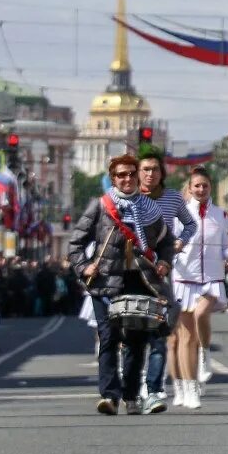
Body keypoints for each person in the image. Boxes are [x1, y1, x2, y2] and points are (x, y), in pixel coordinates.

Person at [68, 153, 177, 415]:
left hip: (139, 280)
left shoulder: (150, 208)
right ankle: (109, 395)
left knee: (136, 340)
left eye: (131, 174)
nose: (127, 179)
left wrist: (164, 262)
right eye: (120, 175)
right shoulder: (101, 206)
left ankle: (131, 396)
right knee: (108, 337)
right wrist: (85, 267)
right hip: (105, 281)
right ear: (112, 178)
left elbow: (166, 242)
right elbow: (75, 244)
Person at [137, 150, 196, 413]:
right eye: (145, 170)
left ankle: (155, 388)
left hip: (162, 268)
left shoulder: (172, 198)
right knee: (132, 326)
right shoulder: (130, 198)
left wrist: (179, 242)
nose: (150, 174)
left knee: (159, 327)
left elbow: (190, 224)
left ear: (162, 173)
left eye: (155, 169)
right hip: (133, 269)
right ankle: (135, 382)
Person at [168, 166, 228, 410]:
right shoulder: (179, 215)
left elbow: (226, 246)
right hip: (184, 279)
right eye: (197, 186)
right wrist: (173, 248)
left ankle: (205, 352)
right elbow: (167, 244)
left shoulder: (220, 214)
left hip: (212, 278)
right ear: (190, 188)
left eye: (205, 185)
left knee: (201, 315)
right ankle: (188, 388)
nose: (201, 189)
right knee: (184, 338)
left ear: (210, 187)